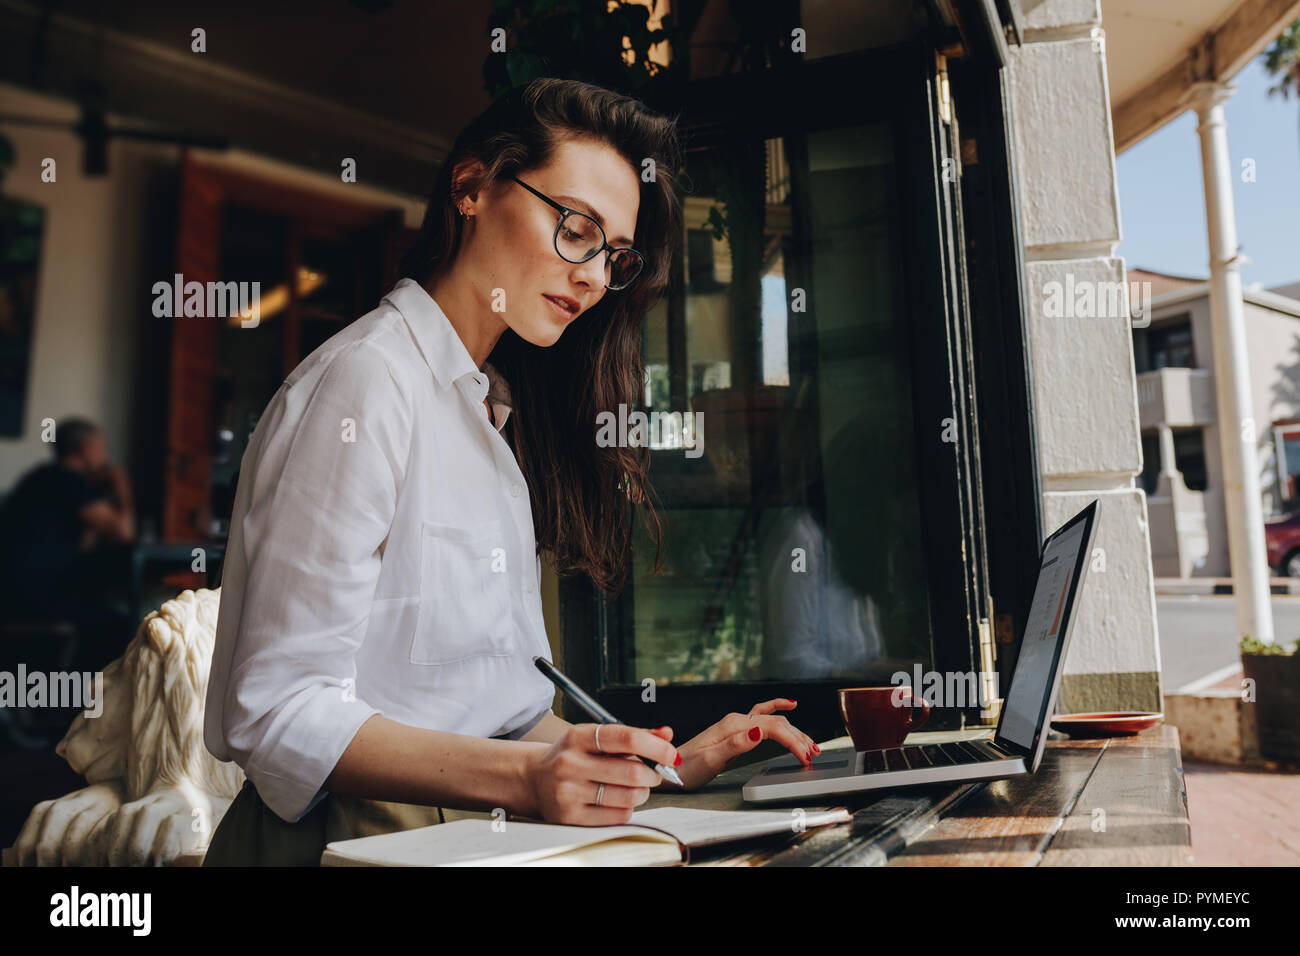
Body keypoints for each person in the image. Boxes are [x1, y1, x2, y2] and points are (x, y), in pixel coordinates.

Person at [202, 78, 819, 866]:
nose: (595, 275)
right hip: (356, 843)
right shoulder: (366, 382)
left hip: (474, 834)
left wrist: (660, 767)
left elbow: (495, 717)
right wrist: (528, 778)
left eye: (614, 255)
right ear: (471, 188)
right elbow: (278, 711)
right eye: (575, 228)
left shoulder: (490, 417)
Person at [0, 417, 135, 667]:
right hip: (34, 593)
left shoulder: (41, 477)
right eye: (101, 447)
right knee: (117, 624)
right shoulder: (71, 481)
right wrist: (120, 483)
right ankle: (78, 700)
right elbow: (123, 533)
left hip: (14, 590)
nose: (104, 455)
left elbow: (82, 546)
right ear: (86, 448)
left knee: (99, 608)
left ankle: (60, 694)